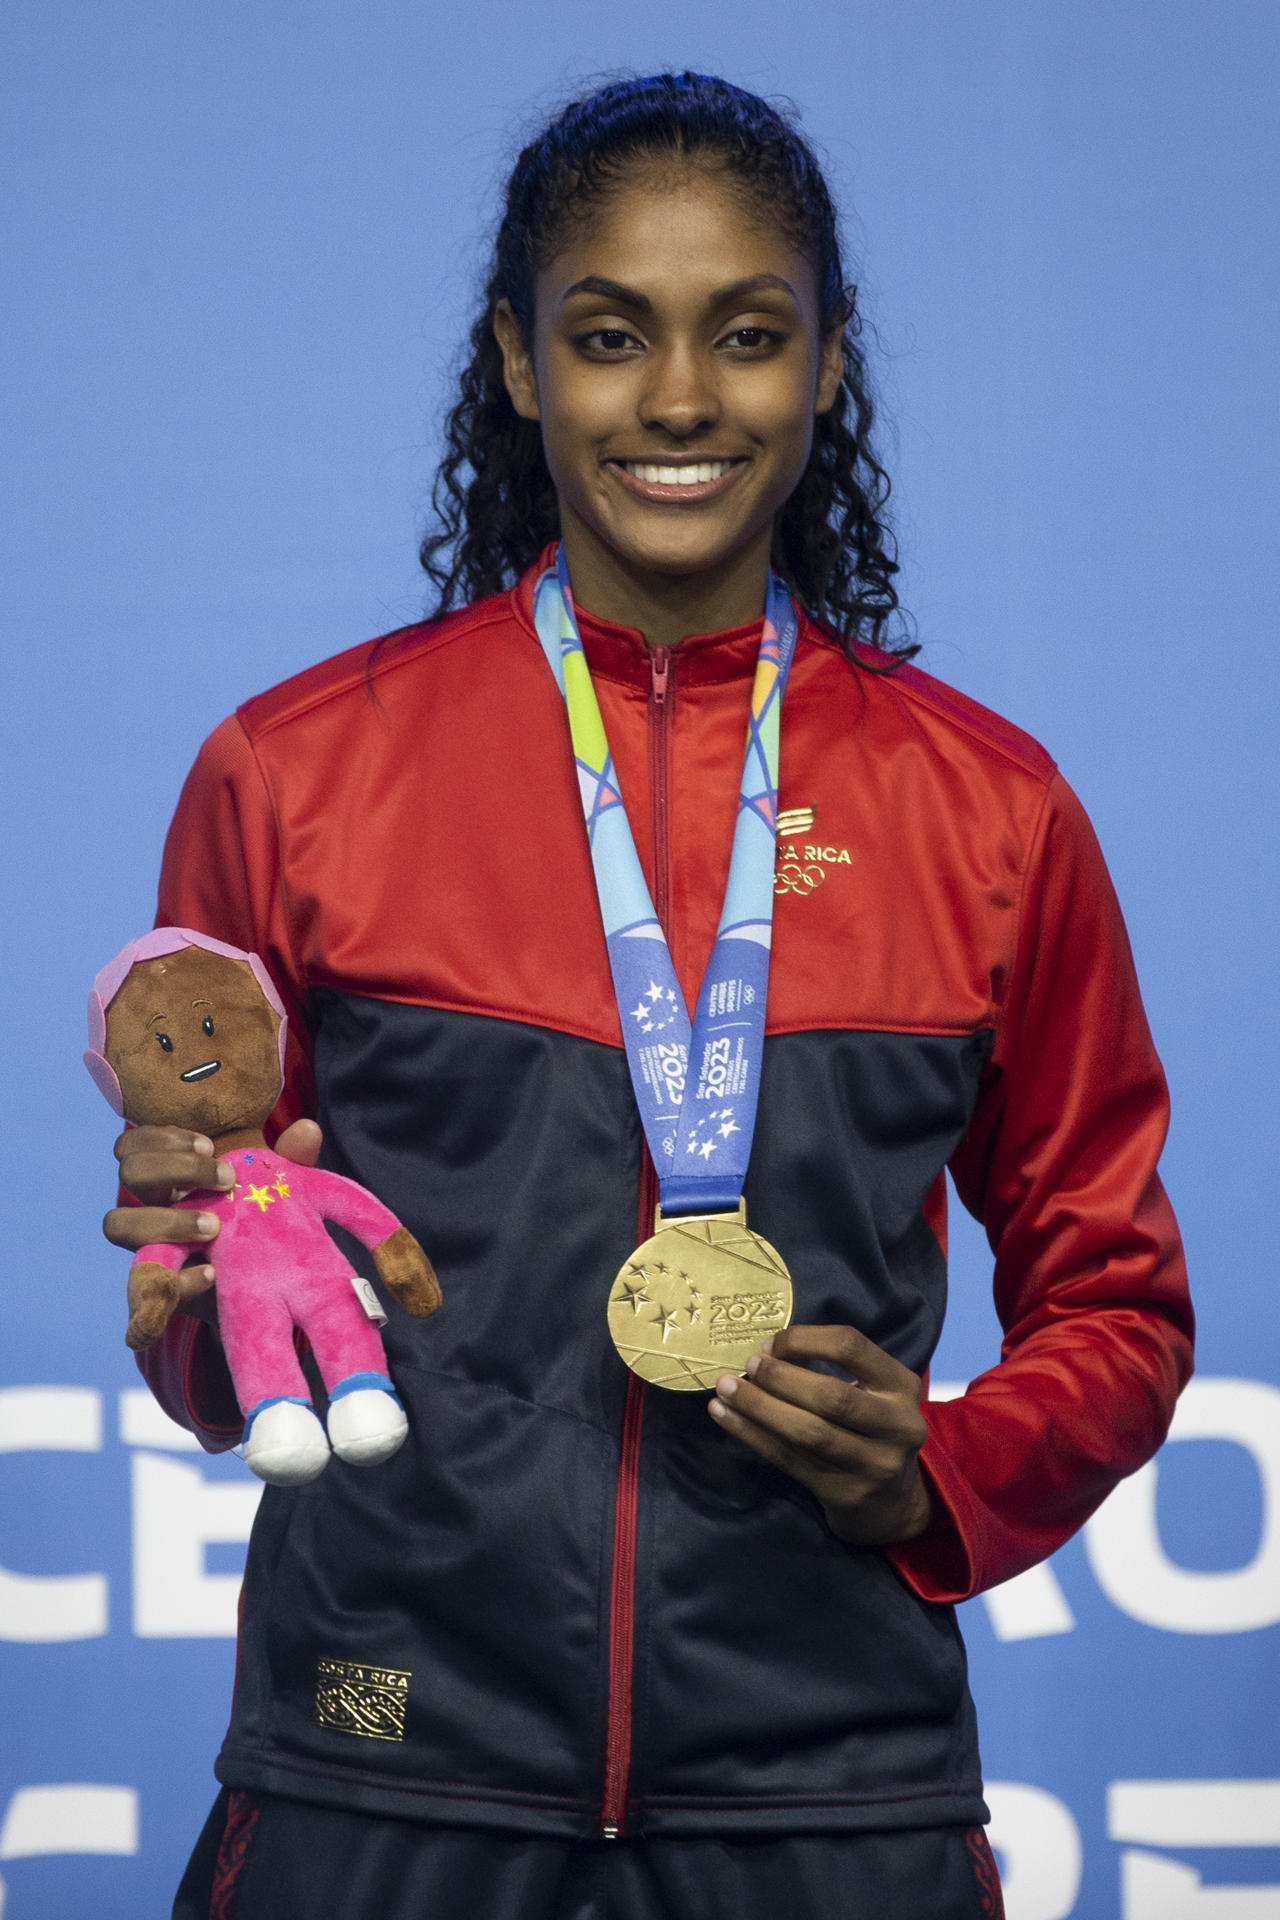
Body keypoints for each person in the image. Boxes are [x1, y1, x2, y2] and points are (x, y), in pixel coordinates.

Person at [104, 72, 1193, 1920]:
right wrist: (204, 1293)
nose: (679, 400)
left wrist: (937, 1471)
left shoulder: (993, 815)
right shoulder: (292, 778)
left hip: (828, 1800)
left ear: (829, 367)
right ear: (521, 368)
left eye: (747, 336)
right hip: (383, 1763)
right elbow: (211, 1348)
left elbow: (1119, 1296)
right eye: (610, 337)